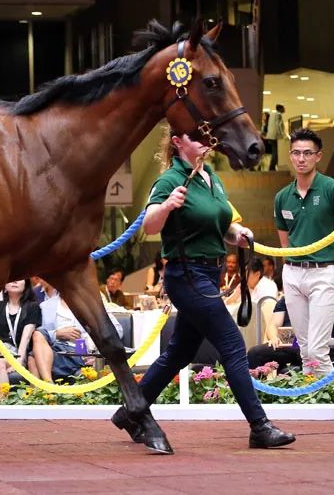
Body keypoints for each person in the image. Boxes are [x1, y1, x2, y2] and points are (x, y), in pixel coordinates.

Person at [111, 130, 295, 449]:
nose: (204, 141)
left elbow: (221, 224)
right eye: (195, 136)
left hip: (210, 273)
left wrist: (237, 232)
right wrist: (167, 205)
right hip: (186, 274)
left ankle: (130, 410)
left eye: (206, 136)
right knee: (233, 345)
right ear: (178, 143)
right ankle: (259, 426)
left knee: (180, 351)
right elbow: (150, 225)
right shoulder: (170, 179)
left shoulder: (210, 176)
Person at [275, 128, 334, 376]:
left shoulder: (333, 189)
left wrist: (323, 252)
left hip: (324, 272)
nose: (301, 158)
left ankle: (330, 405)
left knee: (318, 349)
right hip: (292, 273)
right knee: (304, 348)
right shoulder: (282, 197)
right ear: (290, 156)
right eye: (296, 153)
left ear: (318, 156)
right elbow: (285, 245)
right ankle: (312, 401)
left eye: (307, 153)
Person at [0, 279, 40, 383]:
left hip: (18, 353)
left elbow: (26, 338)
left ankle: (2, 398)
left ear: (26, 284)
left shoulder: (32, 307)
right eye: (11, 279)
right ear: (4, 285)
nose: (14, 281)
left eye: (19, 278)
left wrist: (18, 362)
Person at [247, 297, 302, 373]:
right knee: (254, 353)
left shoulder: (316, 299)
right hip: (285, 342)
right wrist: (273, 337)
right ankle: (256, 383)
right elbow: (274, 325)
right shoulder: (285, 300)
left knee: (304, 351)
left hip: (305, 343)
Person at [264, 104, 287, 171]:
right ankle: (272, 167)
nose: (284, 109)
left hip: (270, 136)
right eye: (283, 108)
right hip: (275, 136)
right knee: (276, 152)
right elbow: (278, 126)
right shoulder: (278, 115)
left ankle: (272, 167)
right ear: (280, 109)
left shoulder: (272, 115)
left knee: (275, 151)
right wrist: (283, 135)